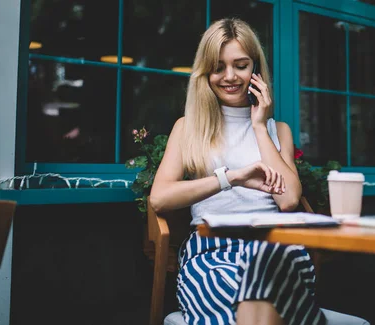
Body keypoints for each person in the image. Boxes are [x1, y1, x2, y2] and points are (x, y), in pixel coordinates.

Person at [150, 18, 325, 325]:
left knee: (269, 280)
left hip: (272, 246)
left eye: (240, 65)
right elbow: (160, 199)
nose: (229, 76)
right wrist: (231, 177)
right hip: (210, 251)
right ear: (205, 73)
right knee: (245, 299)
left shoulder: (277, 130)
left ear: (255, 70)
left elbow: (288, 201)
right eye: (218, 67)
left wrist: (259, 126)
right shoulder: (188, 128)